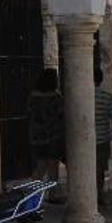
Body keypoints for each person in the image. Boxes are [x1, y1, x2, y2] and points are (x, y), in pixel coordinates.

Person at [27, 68, 65, 201]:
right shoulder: (55, 97)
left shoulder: (33, 97)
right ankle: (53, 194)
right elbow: (61, 113)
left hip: (37, 136)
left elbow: (30, 113)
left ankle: (31, 194)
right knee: (53, 166)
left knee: (40, 166)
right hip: (52, 136)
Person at [94, 68, 112, 207]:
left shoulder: (81, 96)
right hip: (102, 139)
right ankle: (98, 195)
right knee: (100, 170)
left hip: (84, 141)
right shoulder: (107, 97)